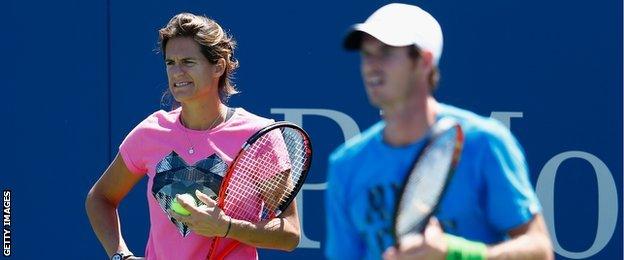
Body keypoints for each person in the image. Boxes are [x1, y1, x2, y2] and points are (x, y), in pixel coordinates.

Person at [325, 3, 553, 260]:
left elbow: (539, 250)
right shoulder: (345, 164)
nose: (370, 66)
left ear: (424, 61)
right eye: (366, 54)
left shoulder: (485, 143)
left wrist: (454, 253)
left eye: (386, 52)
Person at [86, 13, 300, 260]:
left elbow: (290, 233)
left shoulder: (259, 136)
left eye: (188, 62)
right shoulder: (150, 132)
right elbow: (100, 198)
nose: (177, 72)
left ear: (218, 66)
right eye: (170, 63)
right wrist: (120, 255)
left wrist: (226, 227)